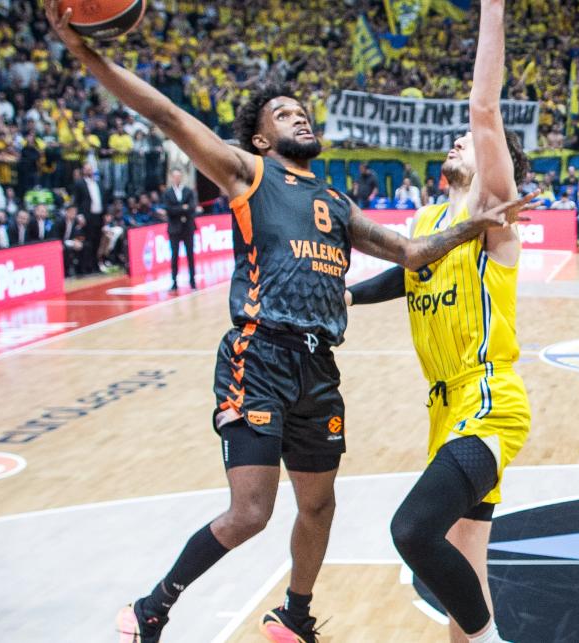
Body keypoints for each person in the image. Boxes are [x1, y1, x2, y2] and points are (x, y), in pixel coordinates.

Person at [45, 3, 528, 642]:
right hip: (262, 353)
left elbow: (413, 256)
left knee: (324, 507)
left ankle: (297, 616)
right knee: (252, 513)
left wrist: (476, 225)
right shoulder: (249, 173)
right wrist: (85, 53)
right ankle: (153, 608)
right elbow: (165, 115)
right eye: (282, 112)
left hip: (329, 367)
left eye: (302, 108)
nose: (297, 112)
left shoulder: (337, 201)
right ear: (262, 139)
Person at [346, 3, 528, 641]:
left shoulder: (494, 219)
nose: (462, 138)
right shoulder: (427, 226)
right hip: (443, 411)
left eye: (472, 144)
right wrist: (347, 299)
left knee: (411, 531)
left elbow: (484, 108)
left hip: (488, 403)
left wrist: (491, 9)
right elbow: (406, 275)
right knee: (465, 582)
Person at [164, 168, 199, 291]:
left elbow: (192, 207)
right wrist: (182, 208)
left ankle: (193, 281)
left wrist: (179, 209)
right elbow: (169, 209)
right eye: (175, 176)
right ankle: (174, 282)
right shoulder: (168, 193)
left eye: (179, 176)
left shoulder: (188, 191)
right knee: (174, 256)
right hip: (174, 229)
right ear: (172, 178)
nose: (177, 178)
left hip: (187, 228)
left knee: (190, 255)